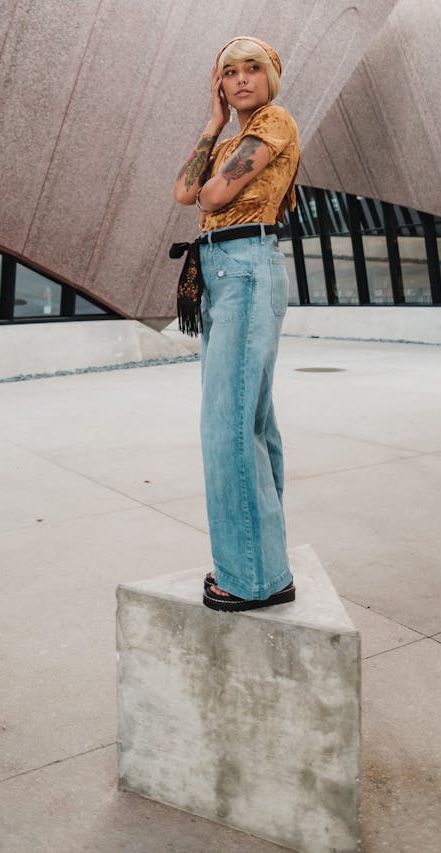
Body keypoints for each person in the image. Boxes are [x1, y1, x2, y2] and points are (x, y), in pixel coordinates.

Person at [173, 36, 300, 612]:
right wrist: (210, 124)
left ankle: (250, 577)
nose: (242, 78)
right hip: (229, 271)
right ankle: (264, 566)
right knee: (248, 422)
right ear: (219, 83)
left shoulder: (273, 123)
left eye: (253, 69)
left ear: (270, 78)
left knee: (227, 426)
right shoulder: (234, 135)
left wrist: (212, 179)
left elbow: (214, 194)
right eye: (229, 71)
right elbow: (185, 193)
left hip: (246, 266)